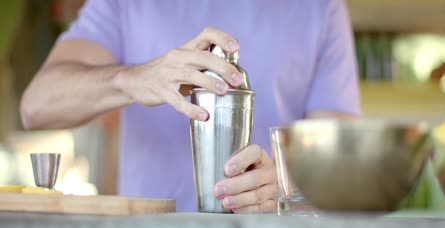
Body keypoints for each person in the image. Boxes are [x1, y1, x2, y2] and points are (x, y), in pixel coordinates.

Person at [20, 0, 360, 213]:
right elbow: (36, 106)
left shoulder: (319, 6)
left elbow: (344, 168)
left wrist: (285, 187)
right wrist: (135, 78)